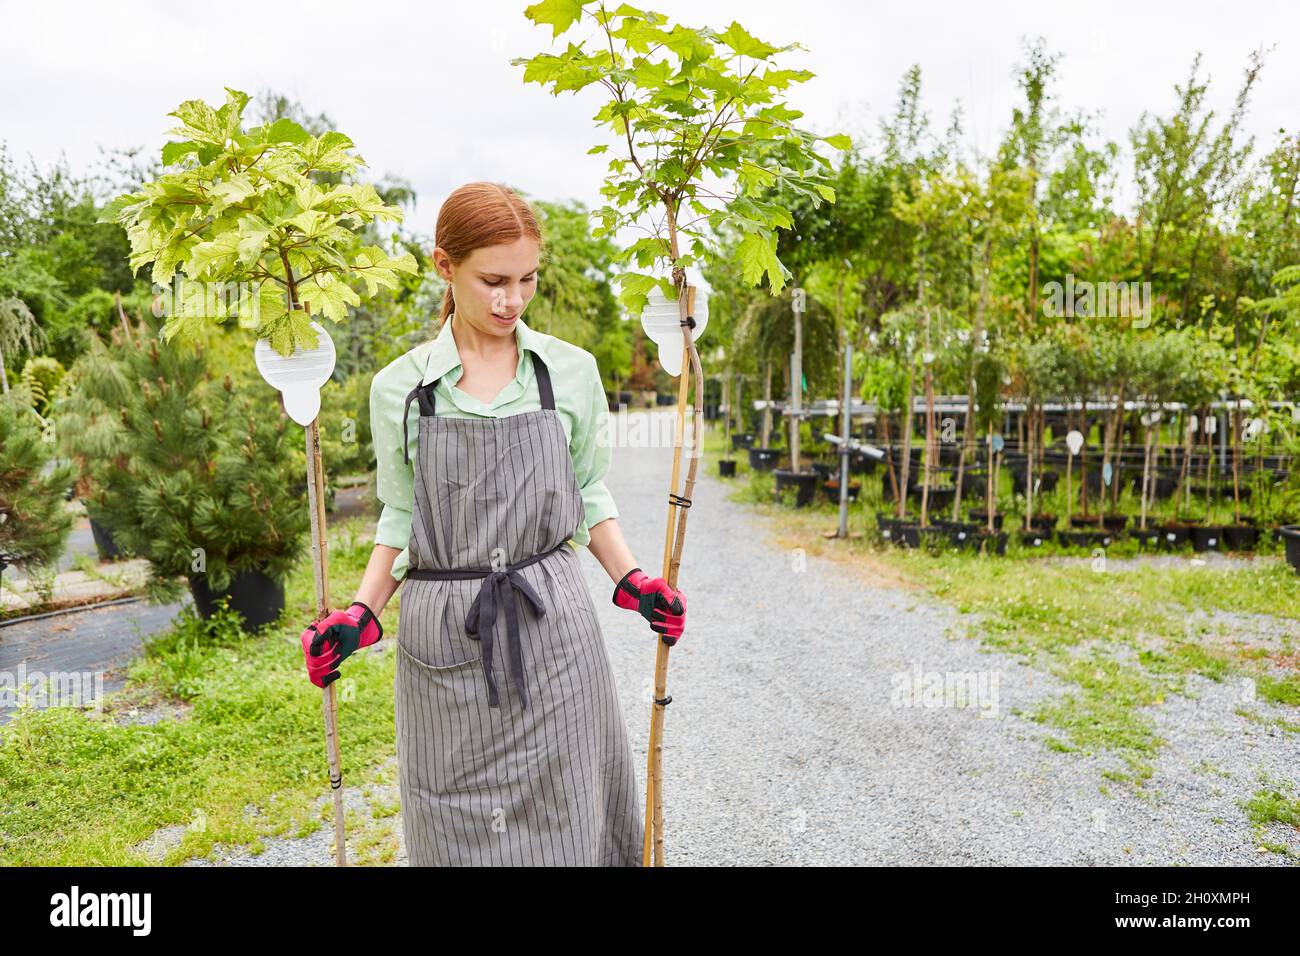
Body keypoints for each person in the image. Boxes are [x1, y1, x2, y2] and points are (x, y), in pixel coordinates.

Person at [298, 181, 688, 866]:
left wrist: (633, 581)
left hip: (553, 630)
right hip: (446, 638)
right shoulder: (401, 388)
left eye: (528, 279)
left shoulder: (569, 372)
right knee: (454, 830)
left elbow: (589, 492)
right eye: (494, 281)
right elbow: (399, 514)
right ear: (445, 267)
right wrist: (360, 614)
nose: (512, 300)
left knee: (572, 819)